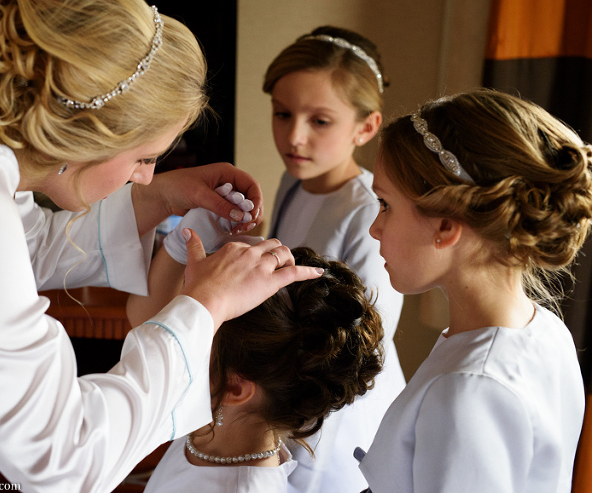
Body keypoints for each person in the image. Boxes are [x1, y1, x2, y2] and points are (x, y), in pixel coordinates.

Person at [0, 0, 324, 490]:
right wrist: (202, 309)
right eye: (144, 159)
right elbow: (62, 455)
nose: (146, 175)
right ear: (84, 136)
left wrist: (160, 199)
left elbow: (10, 248)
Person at [359, 89, 592, 492]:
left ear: (446, 226)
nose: (374, 228)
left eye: (385, 204)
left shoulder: (470, 390)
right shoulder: (547, 331)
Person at [127, 218, 384, 493]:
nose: (180, 331)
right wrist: (181, 243)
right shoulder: (212, 424)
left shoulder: (236, 476)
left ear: (235, 385)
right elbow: (149, 323)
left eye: (196, 326)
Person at [261, 26, 405, 493]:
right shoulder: (292, 183)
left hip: (338, 394)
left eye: (319, 121)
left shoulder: (366, 210)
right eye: (282, 114)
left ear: (365, 127)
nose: (294, 136)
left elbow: (370, 332)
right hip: (288, 375)